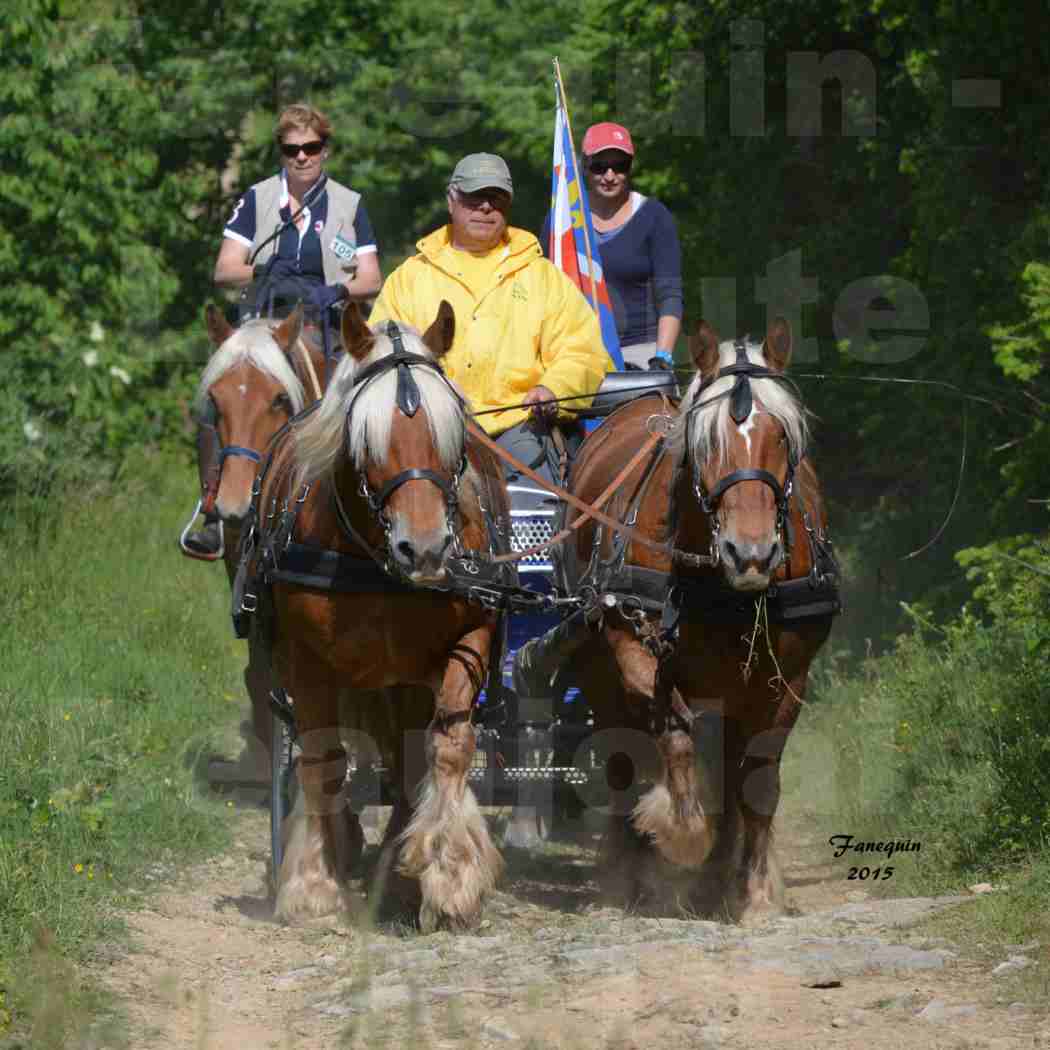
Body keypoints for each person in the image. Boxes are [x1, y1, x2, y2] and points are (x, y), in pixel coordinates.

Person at [182, 102, 383, 558]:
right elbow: (225, 269)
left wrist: (336, 290)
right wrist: (261, 269)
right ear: (281, 152)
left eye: (311, 148)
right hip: (266, 321)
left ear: (325, 150)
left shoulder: (349, 205)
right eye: (292, 149)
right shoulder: (255, 200)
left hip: (327, 325)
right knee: (221, 390)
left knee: (369, 402)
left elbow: (371, 278)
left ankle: (368, 512)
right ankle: (212, 511)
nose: (302, 157)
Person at [369, 153, 612, 485]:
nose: (485, 207)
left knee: (536, 510)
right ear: (452, 200)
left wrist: (552, 389)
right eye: (474, 196)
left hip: (521, 428)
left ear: (508, 206)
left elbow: (583, 351)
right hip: (430, 431)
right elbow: (378, 357)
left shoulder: (543, 276)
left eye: (495, 199)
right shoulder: (409, 278)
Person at [541, 122, 683, 371]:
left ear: (630, 167)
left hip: (640, 351)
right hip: (573, 352)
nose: (609, 176)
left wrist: (662, 356)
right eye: (599, 166)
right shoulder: (561, 220)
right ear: (584, 166)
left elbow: (670, 294)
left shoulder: (655, 216)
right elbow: (541, 290)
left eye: (620, 166)